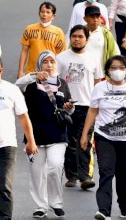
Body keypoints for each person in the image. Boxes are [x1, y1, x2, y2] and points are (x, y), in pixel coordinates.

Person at [80, 55, 126, 220]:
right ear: (107, 71)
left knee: (125, 174)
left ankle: (125, 207)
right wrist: (84, 134)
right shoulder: (100, 88)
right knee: (106, 171)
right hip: (104, 137)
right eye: (113, 68)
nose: (117, 71)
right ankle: (104, 210)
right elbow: (93, 111)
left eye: (121, 67)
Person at [15, 51, 72, 219]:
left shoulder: (62, 83)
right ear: (40, 65)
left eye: (52, 61)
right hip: (35, 136)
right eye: (45, 61)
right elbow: (17, 84)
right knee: (37, 172)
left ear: (56, 64)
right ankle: (41, 206)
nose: (49, 64)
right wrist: (33, 75)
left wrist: (70, 107)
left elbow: (69, 106)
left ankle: (56, 203)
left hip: (58, 134)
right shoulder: (30, 84)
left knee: (55, 166)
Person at [57, 25, 102, 191]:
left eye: (80, 36)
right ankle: (71, 175)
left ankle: (85, 176)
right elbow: (57, 83)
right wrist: (60, 103)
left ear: (87, 39)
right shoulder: (61, 58)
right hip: (67, 107)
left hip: (87, 107)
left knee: (85, 141)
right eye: (74, 36)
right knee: (69, 142)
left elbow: (98, 83)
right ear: (70, 38)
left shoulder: (93, 58)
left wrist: (98, 105)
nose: (77, 39)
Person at [0, 56, 38, 220]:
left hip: (6, 145)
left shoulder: (11, 90)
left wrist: (31, 141)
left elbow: (23, 117)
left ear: (0, 70)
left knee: (3, 185)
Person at [17, 2, 66, 79]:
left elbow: (61, 56)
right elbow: (24, 51)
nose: (44, 14)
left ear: (53, 16)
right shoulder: (29, 29)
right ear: (39, 13)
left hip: (50, 75)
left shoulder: (58, 32)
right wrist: (20, 71)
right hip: (31, 74)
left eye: (48, 12)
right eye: (42, 12)